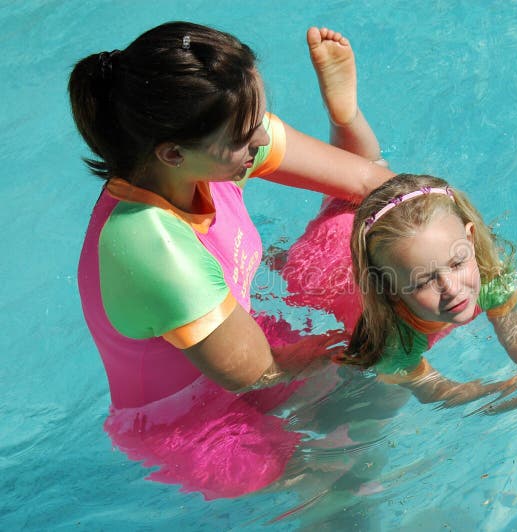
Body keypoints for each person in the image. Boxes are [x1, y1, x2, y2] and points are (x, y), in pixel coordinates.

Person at [70, 21, 394, 499]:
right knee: (330, 489)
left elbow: (366, 184)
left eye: (259, 118)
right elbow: (252, 370)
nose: (262, 138)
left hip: (250, 340)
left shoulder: (214, 145)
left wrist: (345, 116)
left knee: (372, 245)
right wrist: (367, 341)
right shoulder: (147, 242)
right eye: (246, 134)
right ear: (173, 153)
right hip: (188, 421)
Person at [340, 173, 517, 417]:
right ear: (388, 288)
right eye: (423, 281)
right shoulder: (393, 341)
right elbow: (438, 391)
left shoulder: (489, 273)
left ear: (470, 240)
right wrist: (500, 395)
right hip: (329, 263)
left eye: (458, 262)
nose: (451, 288)